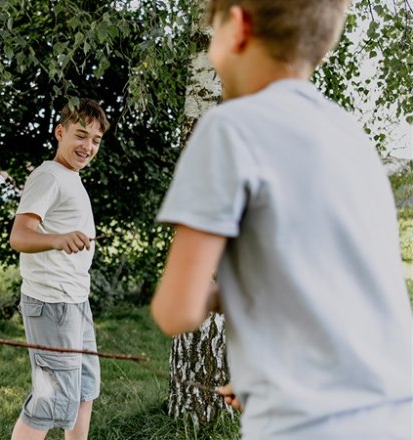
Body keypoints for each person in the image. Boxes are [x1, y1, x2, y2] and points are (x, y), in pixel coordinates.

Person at [150, 0, 413, 438]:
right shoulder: (352, 140)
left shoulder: (229, 127)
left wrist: (214, 293)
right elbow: (325, 287)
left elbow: (176, 309)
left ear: (236, 27)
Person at [8, 98, 110, 440]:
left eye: (95, 140)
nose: (88, 146)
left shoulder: (70, 177)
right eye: (81, 135)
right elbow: (19, 236)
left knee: (84, 388)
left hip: (74, 301)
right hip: (51, 304)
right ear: (60, 132)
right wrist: (57, 239)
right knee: (50, 399)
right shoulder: (49, 175)